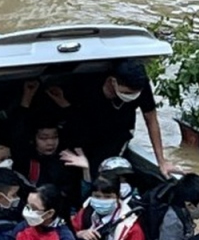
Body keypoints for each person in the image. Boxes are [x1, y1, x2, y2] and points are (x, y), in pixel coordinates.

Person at [46, 59, 181, 178]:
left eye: (135, 93)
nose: (132, 96)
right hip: (86, 129)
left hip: (118, 133)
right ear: (113, 81)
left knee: (104, 173)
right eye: (127, 93)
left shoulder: (141, 86)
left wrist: (161, 161)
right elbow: (75, 115)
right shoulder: (89, 83)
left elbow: (151, 120)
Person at [11, 80, 86, 206]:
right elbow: (18, 131)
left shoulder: (66, 158)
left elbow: (78, 128)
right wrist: (27, 97)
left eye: (54, 137)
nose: (50, 143)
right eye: (44, 138)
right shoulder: (25, 157)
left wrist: (63, 102)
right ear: (34, 139)